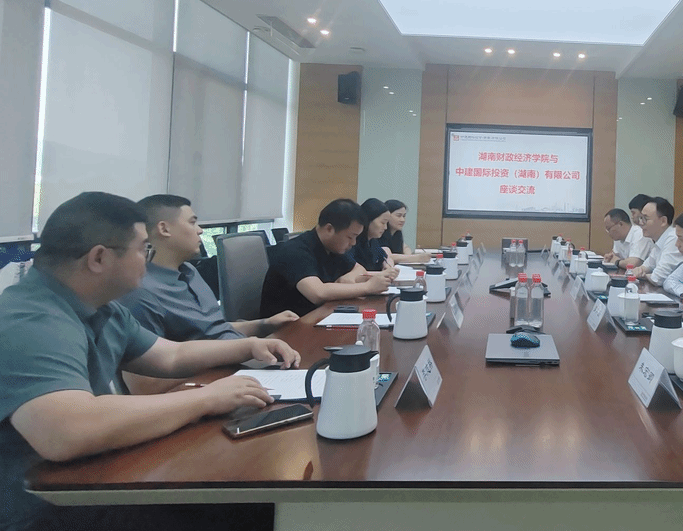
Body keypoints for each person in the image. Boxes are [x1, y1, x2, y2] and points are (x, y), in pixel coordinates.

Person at [0, 192, 301, 531]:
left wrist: (249, 346)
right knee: (250, 510)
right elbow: (67, 430)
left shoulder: (103, 308)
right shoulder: (30, 320)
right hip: (42, 508)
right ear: (99, 258)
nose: (148, 260)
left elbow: (170, 355)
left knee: (255, 500)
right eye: (143, 249)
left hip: (88, 478)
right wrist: (206, 398)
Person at [118, 195, 298, 342]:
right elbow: (155, 365)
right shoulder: (141, 292)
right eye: (192, 222)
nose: (200, 230)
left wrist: (265, 324)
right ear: (164, 229)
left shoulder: (189, 271)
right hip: (215, 371)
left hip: (237, 357)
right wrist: (246, 349)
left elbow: (213, 329)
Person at [260, 198, 392, 318]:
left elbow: (359, 269)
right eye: (350, 237)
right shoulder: (295, 250)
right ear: (329, 229)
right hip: (287, 327)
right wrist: (368, 287)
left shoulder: (332, 247)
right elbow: (317, 293)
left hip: (318, 316)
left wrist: (349, 277)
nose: (353, 243)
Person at [629, 197, 683, 285]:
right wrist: (640, 271)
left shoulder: (673, 238)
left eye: (645, 219)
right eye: (641, 218)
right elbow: (645, 267)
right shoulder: (658, 240)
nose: (641, 223)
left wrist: (643, 275)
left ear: (663, 221)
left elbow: (658, 278)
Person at [350, 198, 401, 275]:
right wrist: (383, 274)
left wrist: (386, 265)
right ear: (368, 220)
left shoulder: (372, 241)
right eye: (383, 222)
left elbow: (384, 257)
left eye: (386, 223)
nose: (385, 228)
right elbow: (352, 273)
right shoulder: (352, 243)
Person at [380, 199, 431, 265]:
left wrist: (408, 256)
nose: (402, 220)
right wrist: (417, 258)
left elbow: (405, 247)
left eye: (404, 216)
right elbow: (387, 256)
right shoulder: (379, 233)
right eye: (398, 216)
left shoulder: (397, 233)